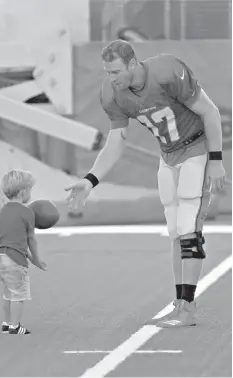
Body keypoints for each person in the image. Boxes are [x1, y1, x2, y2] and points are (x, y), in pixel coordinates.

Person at [65, 40, 226, 328]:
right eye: (107, 72)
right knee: (176, 231)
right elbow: (117, 140)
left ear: (132, 63)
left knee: (189, 227)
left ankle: (188, 308)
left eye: (116, 71)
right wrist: (91, 180)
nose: (112, 78)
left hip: (196, 148)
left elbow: (210, 112)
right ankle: (181, 303)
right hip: (168, 155)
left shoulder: (166, 71)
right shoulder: (112, 93)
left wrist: (216, 160)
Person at [0, 169, 47, 334]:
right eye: (30, 189)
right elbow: (30, 239)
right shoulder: (27, 212)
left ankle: (6, 322)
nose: (30, 192)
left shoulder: (1, 212)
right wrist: (36, 259)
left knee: (8, 292)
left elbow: (11, 239)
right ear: (23, 192)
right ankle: (15, 326)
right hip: (15, 258)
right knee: (19, 294)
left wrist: (29, 258)